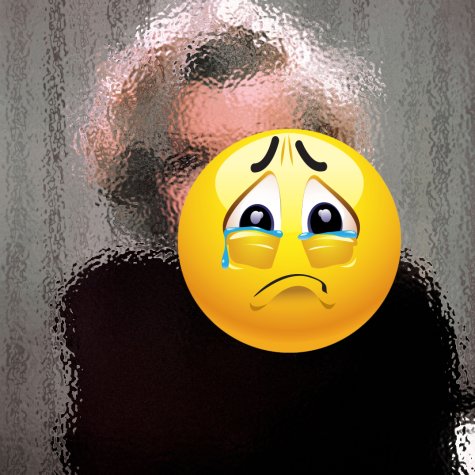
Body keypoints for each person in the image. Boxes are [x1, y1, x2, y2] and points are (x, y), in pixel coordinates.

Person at [63, 1, 469, 473]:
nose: (230, 195)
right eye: (192, 162)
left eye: (261, 154)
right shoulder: (109, 314)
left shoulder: (392, 311)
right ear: (147, 179)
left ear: (322, 160)